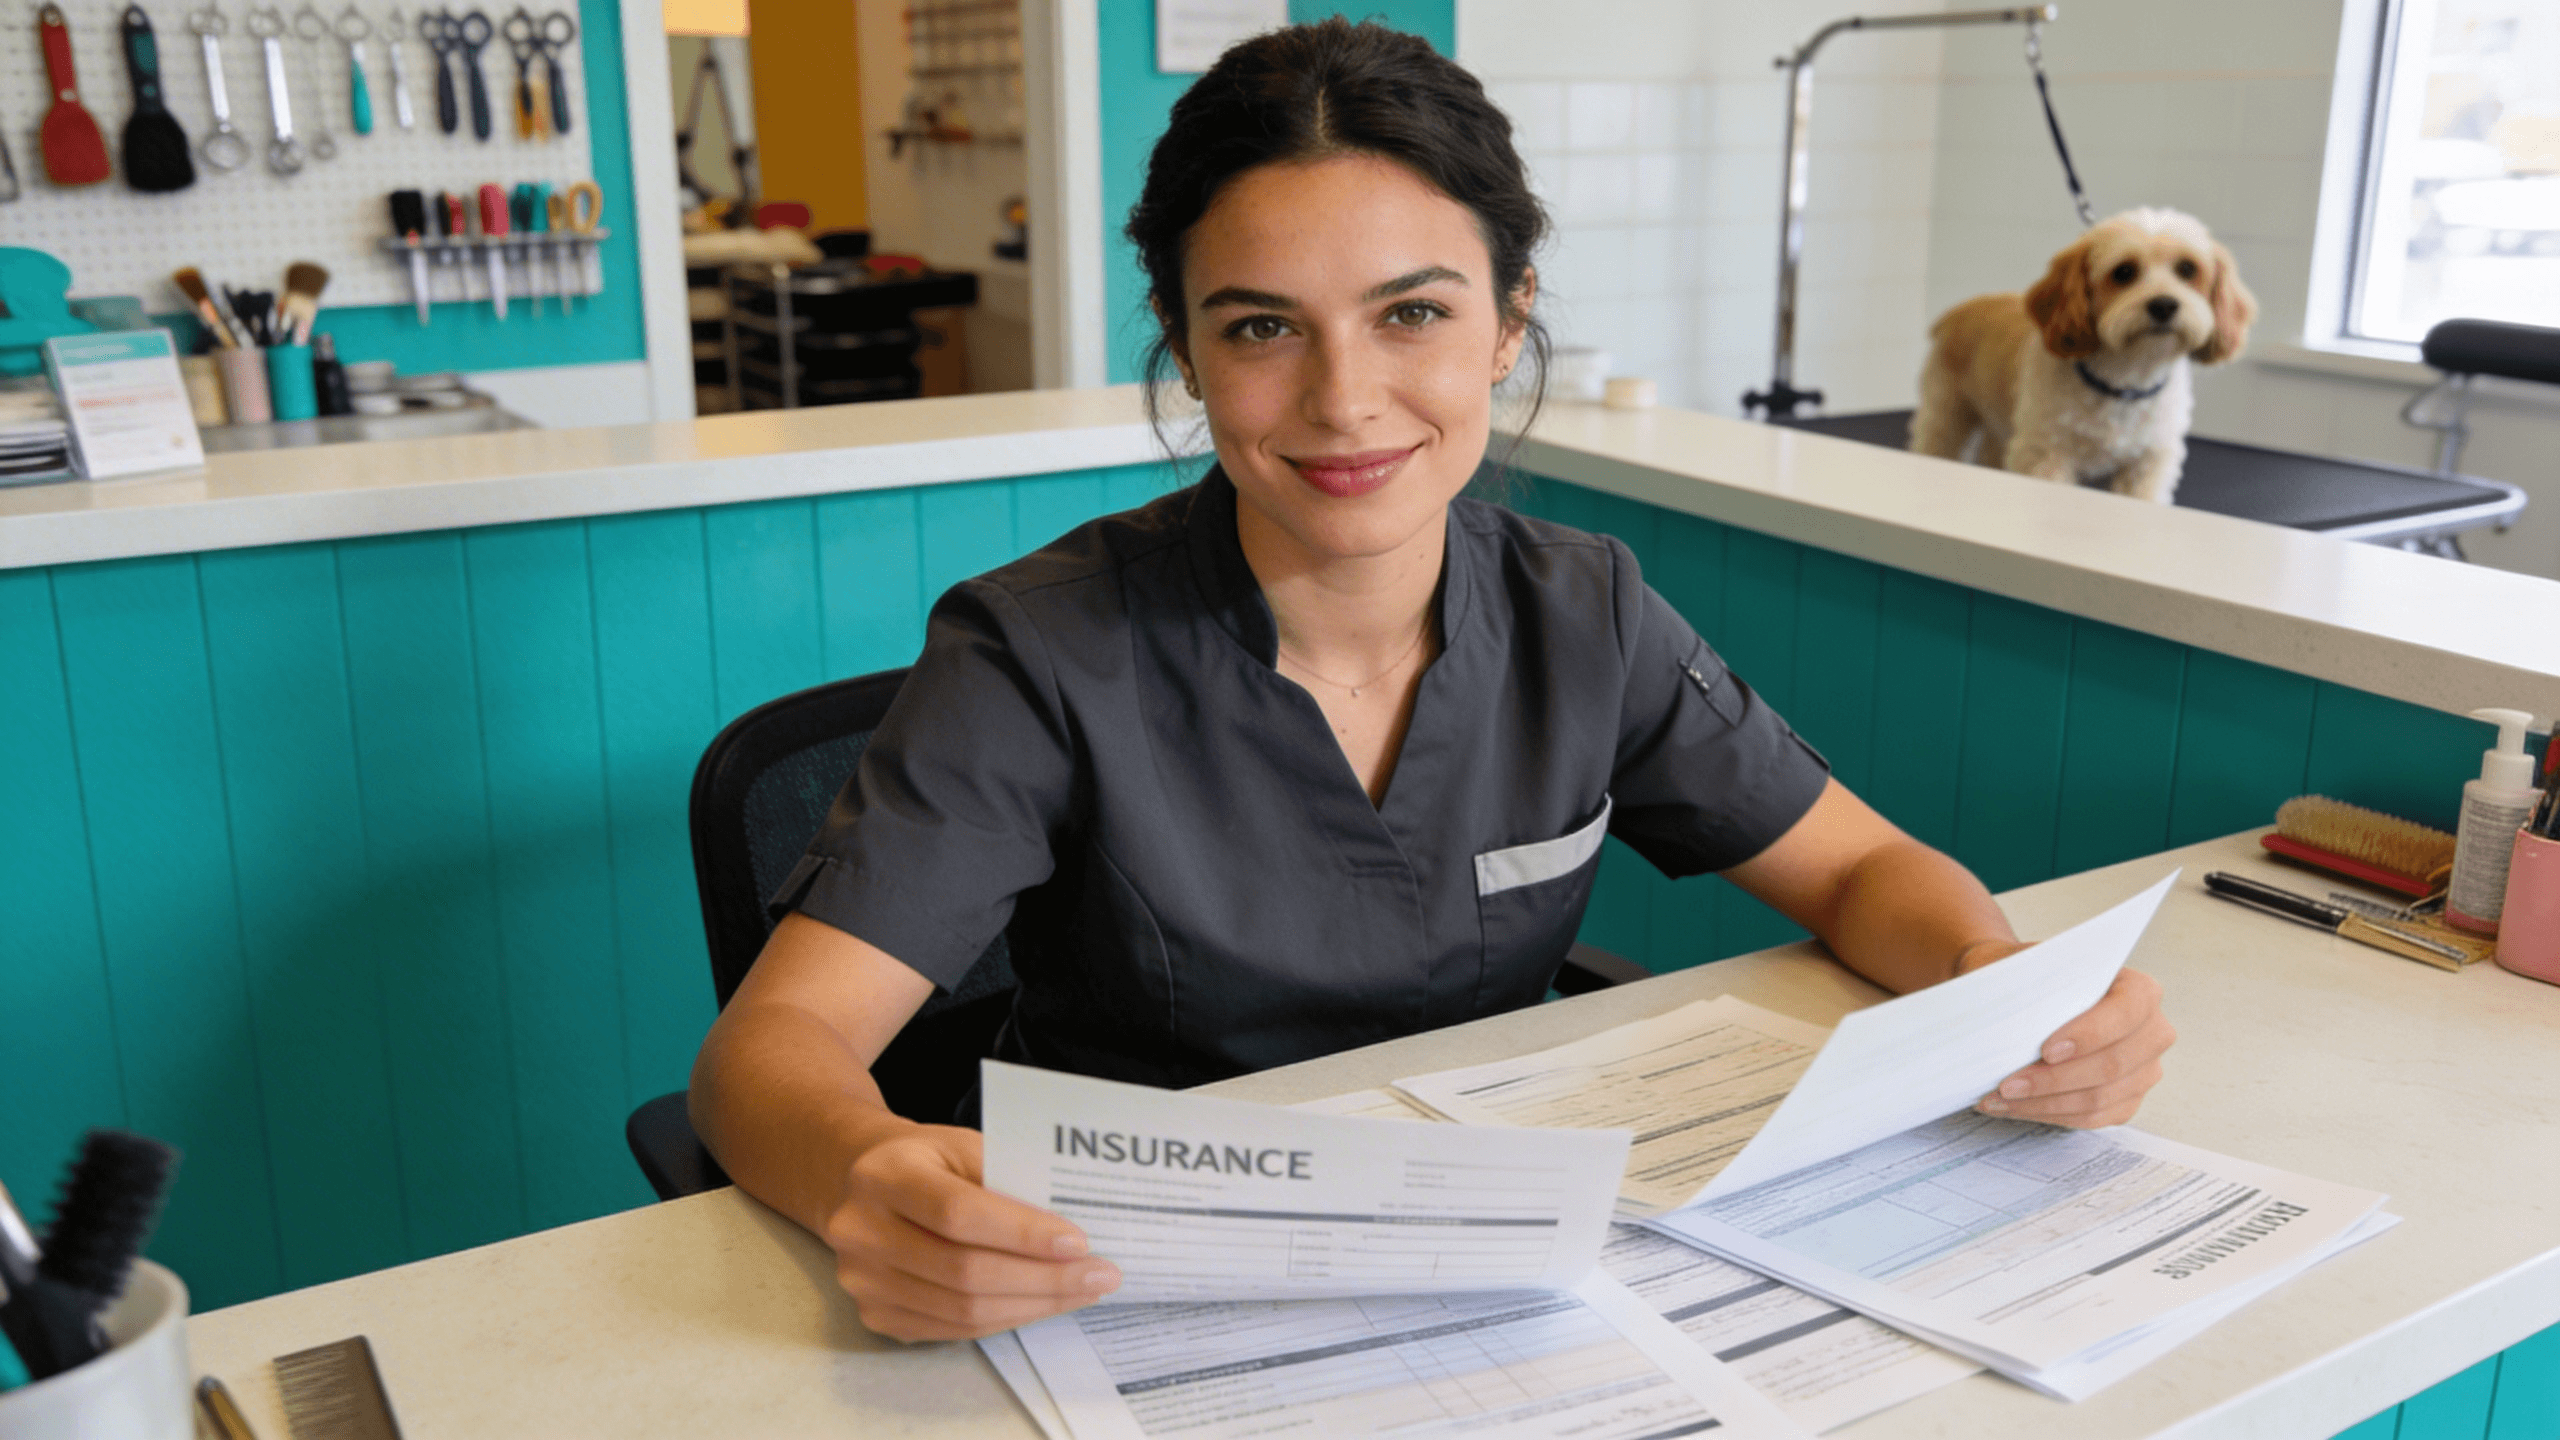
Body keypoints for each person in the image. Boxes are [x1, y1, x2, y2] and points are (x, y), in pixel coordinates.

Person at [688, 18, 2175, 1345]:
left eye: (1413, 312)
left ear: (1509, 323)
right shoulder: (1039, 651)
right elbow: (771, 1056)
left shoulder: (1583, 606)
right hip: (1126, 1291)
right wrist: (867, 1178)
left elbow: (1861, 872)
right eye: (1262, 326)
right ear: (1190, 357)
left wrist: (2004, 995)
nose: (1345, 399)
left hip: (1505, 1284)